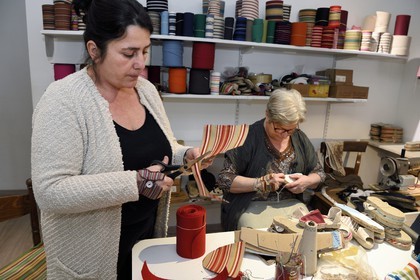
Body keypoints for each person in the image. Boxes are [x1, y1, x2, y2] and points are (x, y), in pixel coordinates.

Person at [31, 0, 211, 279]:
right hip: (90, 253)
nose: (140, 64)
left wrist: (185, 154)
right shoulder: (63, 100)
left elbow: (160, 146)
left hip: (145, 239)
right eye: (128, 53)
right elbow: (50, 191)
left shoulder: (146, 90)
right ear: (94, 50)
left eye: (144, 51)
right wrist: (136, 182)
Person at [217, 88, 326, 231]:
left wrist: (307, 181)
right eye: (279, 128)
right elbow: (224, 180)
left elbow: (319, 173)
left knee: (307, 235)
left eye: (291, 129)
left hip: (291, 204)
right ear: (267, 114)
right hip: (250, 206)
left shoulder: (299, 137)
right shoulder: (246, 137)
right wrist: (259, 183)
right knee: (262, 241)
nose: (285, 135)